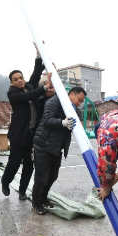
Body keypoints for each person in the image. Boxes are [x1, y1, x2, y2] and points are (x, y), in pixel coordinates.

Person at [1, 53, 52, 200]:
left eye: (21, 78)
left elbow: (35, 75)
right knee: (14, 163)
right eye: (15, 79)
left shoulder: (30, 87)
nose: (19, 81)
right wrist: (44, 88)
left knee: (29, 165)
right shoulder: (13, 94)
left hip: (32, 135)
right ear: (12, 83)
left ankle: (22, 190)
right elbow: (27, 97)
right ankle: (5, 182)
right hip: (18, 135)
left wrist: (38, 57)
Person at [31, 87, 85, 215]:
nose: (80, 103)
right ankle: (36, 203)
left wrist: (74, 111)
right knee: (41, 177)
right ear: (72, 94)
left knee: (53, 176)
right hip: (44, 144)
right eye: (79, 99)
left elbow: (79, 116)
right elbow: (47, 120)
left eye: (82, 101)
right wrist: (62, 123)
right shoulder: (54, 101)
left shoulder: (70, 107)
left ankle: (43, 197)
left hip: (56, 147)